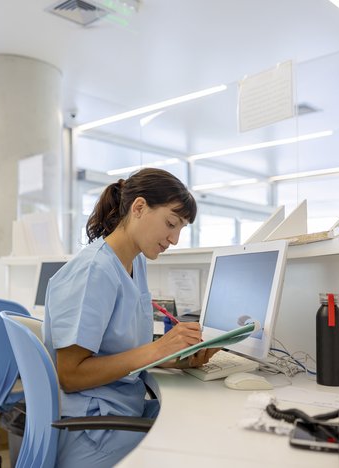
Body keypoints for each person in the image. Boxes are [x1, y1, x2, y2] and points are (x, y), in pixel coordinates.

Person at [43, 167, 218, 467]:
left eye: (181, 229)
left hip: (122, 409)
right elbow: (69, 375)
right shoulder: (94, 270)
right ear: (139, 207)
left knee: (206, 425)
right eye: (171, 223)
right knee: (201, 445)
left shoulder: (135, 261)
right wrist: (157, 349)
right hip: (94, 428)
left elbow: (121, 350)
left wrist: (179, 357)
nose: (174, 238)